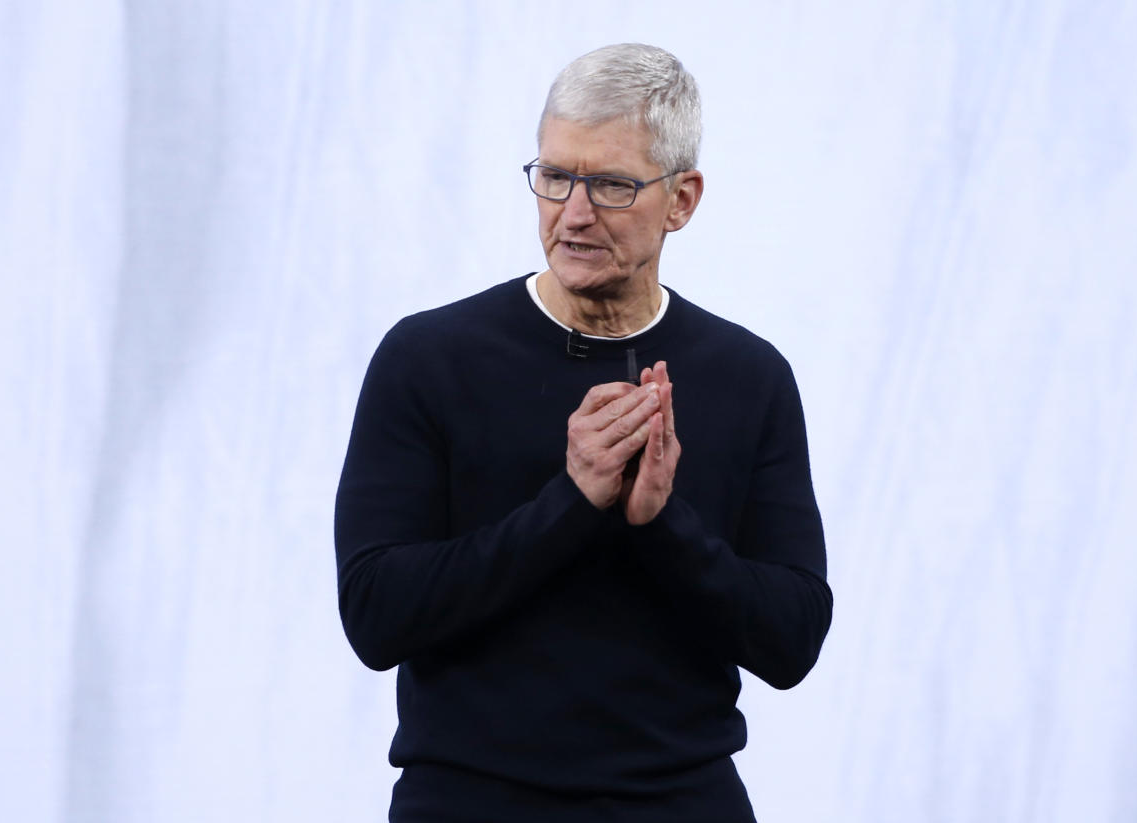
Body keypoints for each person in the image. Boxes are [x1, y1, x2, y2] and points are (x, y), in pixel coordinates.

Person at [334, 43, 832, 822]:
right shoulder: (429, 358)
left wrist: (662, 524)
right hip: (468, 803)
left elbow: (793, 638)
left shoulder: (749, 375)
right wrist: (568, 503)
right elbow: (374, 614)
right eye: (555, 176)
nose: (572, 212)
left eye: (611, 185)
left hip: (679, 803)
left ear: (683, 199)